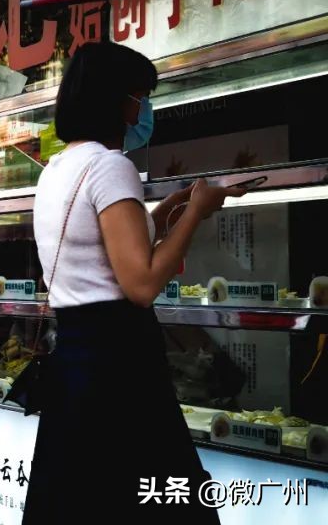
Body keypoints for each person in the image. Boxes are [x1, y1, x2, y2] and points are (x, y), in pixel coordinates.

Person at [24, 42, 242, 523]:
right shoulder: (110, 166)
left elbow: (102, 250)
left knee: (83, 499)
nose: (143, 109)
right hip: (120, 362)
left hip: (76, 360)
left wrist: (169, 212)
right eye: (141, 95)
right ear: (117, 99)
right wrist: (198, 215)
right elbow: (140, 283)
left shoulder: (57, 169)